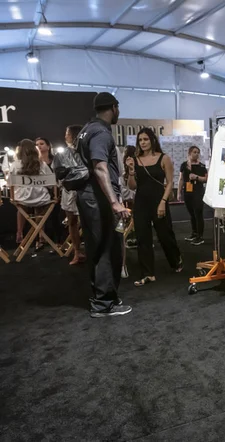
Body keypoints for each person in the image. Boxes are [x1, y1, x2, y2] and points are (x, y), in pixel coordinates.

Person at [76, 92, 132, 318]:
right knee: (108, 248)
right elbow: (100, 167)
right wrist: (115, 202)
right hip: (98, 199)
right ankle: (103, 304)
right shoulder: (101, 132)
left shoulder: (86, 129)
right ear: (114, 107)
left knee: (98, 247)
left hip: (88, 197)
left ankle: (104, 297)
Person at [126, 128, 183, 287]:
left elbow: (170, 182)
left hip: (159, 201)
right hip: (141, 203)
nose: (142, 143)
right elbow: (132, 186)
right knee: (143, 238)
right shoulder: (136, 160)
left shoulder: (163, 158)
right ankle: (148, 273)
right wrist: (131, 171)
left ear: (152, 140)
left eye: (145, 139)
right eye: (140, 140)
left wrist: (163, 202)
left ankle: (175, 260)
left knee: (165, 235)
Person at [10, 139, 53, 246]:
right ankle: (41, 236)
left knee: (21, 208)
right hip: (41, 198)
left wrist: (12, 197)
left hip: (22, 199)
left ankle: (19, 232)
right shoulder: (42, 164)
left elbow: (10, 184)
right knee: (40, 210)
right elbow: (51, 184)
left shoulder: (15, 165)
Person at [62, 125, 86, 265]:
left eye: (67, 133)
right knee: (72, 222)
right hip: (69, 192)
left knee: (88, 222)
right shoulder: (64, 153)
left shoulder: (86, 151)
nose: (65, 136)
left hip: (84, 191)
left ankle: (92, 250)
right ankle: (77, 252)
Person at [178, 145, 208, 246]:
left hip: (198, 191)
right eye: (194, 152)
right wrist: (178, 192)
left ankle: (200, 236)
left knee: (198, 213)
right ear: (189, 153)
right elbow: (181, 179)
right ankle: (194, 233)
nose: (196, 154)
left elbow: (206, 179)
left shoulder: (202, 166)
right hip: (187, 191)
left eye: (198, 152)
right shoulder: (184, 165)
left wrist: (197, 177)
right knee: (192, 214)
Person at [120, 145, 137, 278]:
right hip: (113, 203)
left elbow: (130, 188)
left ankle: (122, 265)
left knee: (119, 234)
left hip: (119, 205)